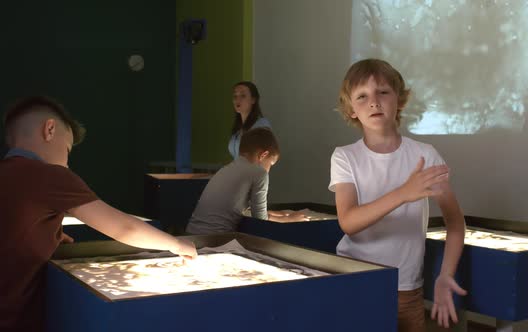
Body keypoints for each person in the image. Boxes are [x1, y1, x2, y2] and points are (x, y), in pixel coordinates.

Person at [0, 96, 197, 332]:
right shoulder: (50, 175)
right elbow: (125, 228)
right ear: (49, 129)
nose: (67, 163)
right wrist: (177, 244)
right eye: (67, 150)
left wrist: (43, 236)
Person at [329, 59, 466, 331]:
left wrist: (445, 275)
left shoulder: (425, 154)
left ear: (399, 100)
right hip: (356, 281)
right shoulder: (344, 156)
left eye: (383, 92)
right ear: (351, 109)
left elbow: (455, 223)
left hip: (407, 289)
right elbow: (348, 222)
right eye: (362, 96)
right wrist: (403, 193)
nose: (374, 102)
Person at [187, 128, 305, 235]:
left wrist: (274, 214)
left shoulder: (227, 168)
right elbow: (260, 220)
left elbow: (241, 208)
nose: (269, 169)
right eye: (271, 164)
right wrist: (290, 219)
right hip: (216, 238)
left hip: (192, 233)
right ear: (263, 155)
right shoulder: (259, 172)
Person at [228, 81, 272, 159]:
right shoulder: (238, 129)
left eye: (243, 95)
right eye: (235, 96)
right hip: (237, 170)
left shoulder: (261, 124)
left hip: (252, 171)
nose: (238, 99)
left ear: (253, 100)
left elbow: (266, 156)